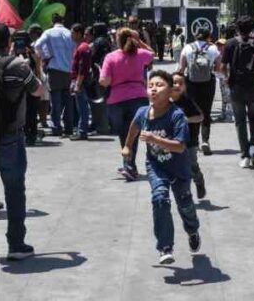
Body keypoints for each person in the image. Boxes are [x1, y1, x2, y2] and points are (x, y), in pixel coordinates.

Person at [123, 70, 201, 265]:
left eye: (159, 85)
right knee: (160, 199)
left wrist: (155, 139)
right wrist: (127, 146)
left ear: (170, 90)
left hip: (179, 167)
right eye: (150, 86)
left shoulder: (177, 115)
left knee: (185, 205)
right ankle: (165, 248)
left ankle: (192, 230)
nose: (153, 89)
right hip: (156, 165)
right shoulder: (142, 112)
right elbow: (134, 126)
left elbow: (180, 146)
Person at [0, 23, 44, 260]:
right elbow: (39, 91)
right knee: (14, 190)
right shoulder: (18, 66)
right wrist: (36, 64)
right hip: (10, 137)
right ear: (9, 43)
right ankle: (16, 244)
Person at [100, 28, 154, 181]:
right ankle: (129, 164)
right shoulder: (140, 54)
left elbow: (104, 81)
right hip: (139, 97)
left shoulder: (110, 57)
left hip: (117, 99)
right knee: (133, 133)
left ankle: (129, 165)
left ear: (117, 40)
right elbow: (152, 54)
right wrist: (140, 41)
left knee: (124, 133)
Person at [222, 16, 254, 169]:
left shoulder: (230, 43)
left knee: (240, 121)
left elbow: (223, 66)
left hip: (236, 87)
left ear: (237, 28)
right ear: (253, 29)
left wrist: (227, 78)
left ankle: (245, 155)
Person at [178, 27, 221, 156]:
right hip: (208, 83)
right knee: (206, 111)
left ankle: (194, 141)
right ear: (208, 36)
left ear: (195, 35)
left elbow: (181, 68)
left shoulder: (187, 47)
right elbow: (218, 67)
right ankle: (205, 141)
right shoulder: (213, 48)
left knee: (192, 111)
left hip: (191, 83)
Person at [35, 14, 76, 137]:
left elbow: (37, 45)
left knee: (56, 100)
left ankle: (56, 127)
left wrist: (46, 56)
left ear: (52, 22)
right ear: (62, 21)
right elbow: (75, 48)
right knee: (68, 101)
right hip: (69, 70)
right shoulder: (69, 33)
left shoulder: (48, 32)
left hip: (55, 70)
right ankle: (69, 127)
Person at [171, 72, 207, 199]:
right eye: (174, 82)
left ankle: (199, 181)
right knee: (177, 168)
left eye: (181, 83)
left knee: (192, 165)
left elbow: (200, 117)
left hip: (190, 140)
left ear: (185, 86)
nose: (177, 85)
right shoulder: (166, 102)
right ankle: (184, 192)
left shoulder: (188, 101)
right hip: (173, 141)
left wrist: (186, 120)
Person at [70, 23, 93, 140]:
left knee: (83, 108)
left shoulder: (83, 48)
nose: (71, 35)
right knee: (81, 107)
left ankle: (82, 131)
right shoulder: (81, 47)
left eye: (73, 33)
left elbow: (83, 68)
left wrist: (78, 84)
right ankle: (81, 130)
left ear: (79, 34)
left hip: (80, 81)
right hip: (78, 80)